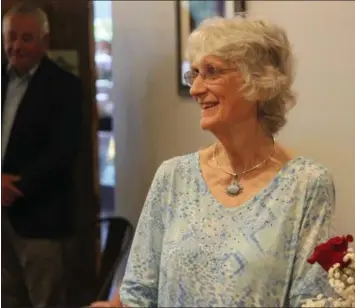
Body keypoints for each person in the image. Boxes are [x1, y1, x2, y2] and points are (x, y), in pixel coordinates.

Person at [120, 16, 335, 307]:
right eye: (193, 73)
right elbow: (137, 293)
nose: (196, 88)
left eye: (211, 72)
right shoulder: (173, 176)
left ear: (257, 81)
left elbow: (312, 300)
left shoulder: (306, 184)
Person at [1, 2, 83, 307]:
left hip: (40, 221)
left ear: (45, 42)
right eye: (11, 37)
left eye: (26, 38)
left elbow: (62, 154)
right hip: (2, 218)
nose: (16, 46)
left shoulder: (65, 87)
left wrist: (14, 186)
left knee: (45, 299)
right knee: (7, 297)